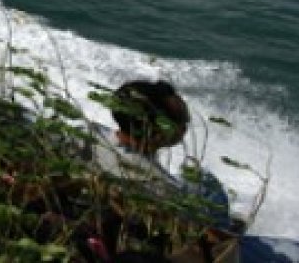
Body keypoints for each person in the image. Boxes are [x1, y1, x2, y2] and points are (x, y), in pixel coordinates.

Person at [96, 80, 231, 228]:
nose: (186, 126)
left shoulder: (92, 134)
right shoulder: (161, 186)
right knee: (204, 179)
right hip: (174, 206)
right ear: (158, 133)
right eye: (182, 120)